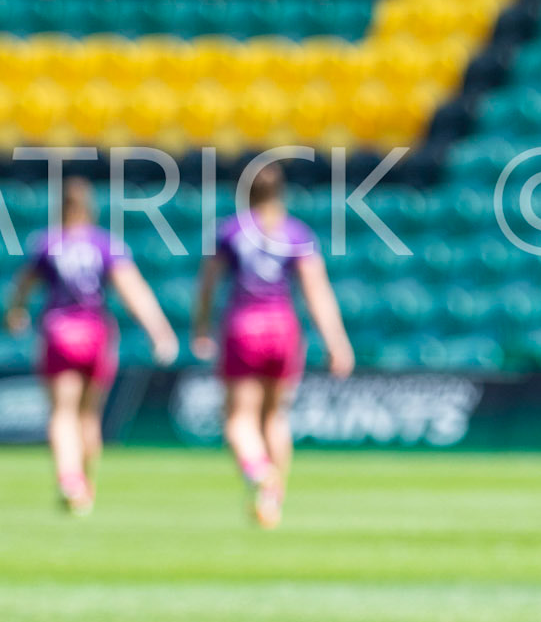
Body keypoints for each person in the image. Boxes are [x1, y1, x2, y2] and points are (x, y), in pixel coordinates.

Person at [191, 163, 353, 527]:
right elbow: (317, 292)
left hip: (243, 326)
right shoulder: (297, 234)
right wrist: (336, 342)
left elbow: (207, 286)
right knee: (275, 417)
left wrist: (201, 327)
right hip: (282, 328)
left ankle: (258, 470)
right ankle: (273, 499)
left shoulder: (229, 231)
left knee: (238, 419)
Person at [5, 174, 178, 514]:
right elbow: (134, 291)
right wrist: (159, 332)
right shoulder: (104, 244)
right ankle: (85, 485)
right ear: (90, 209)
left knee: (62, 412)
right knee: (88, 416)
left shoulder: (48, 243)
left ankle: (68, 479)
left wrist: (16, 313)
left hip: (59, 333)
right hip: (95, 333)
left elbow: (23, 285)